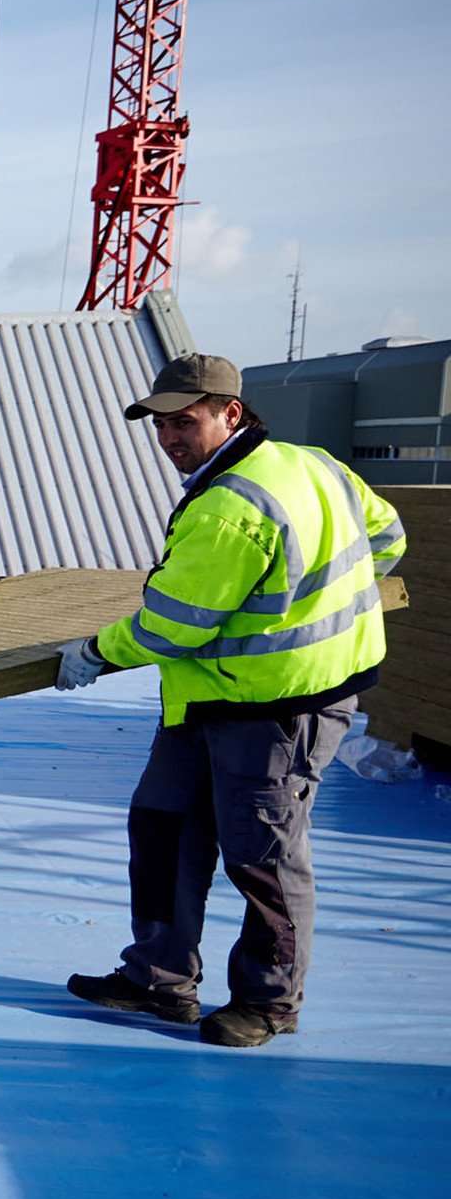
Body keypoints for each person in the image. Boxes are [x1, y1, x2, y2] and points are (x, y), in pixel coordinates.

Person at [56, 352, 406, 1048]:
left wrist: (94, 654)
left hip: (276, 711)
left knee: (264, 858)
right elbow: (388, 539)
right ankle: (159, 977)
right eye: (161, 425)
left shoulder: (230, 506)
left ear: (231, 414)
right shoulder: (316, 466)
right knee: (163, 829)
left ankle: (269, 1002)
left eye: (186, 422)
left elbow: (173, 625)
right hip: (213, 699)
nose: (170, 439)